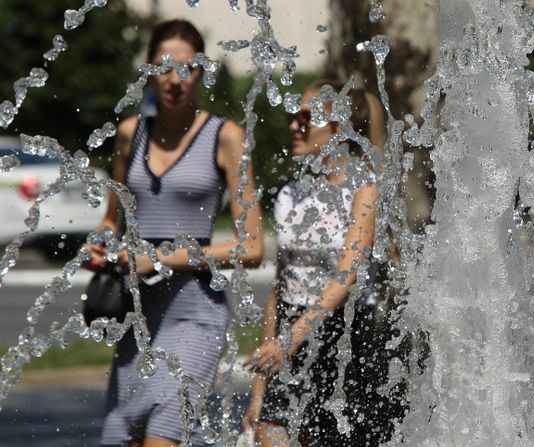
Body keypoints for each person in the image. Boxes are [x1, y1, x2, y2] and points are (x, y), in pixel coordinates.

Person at [83, 19, 263, 447]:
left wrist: (158, 259)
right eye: (164, 66)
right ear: (147, 69)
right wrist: (102, 245)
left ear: (201, 72)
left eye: (187, 67)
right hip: (140, 312)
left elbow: (251, 247)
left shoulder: (226, 136)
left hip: (197, 312)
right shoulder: (130, 135)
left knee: (163, 434)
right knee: (123, 434)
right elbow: (113, 219)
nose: (175, 79)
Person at [242, 82, 386, 446]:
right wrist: (259, 389)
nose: (294, 126)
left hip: (346, 340)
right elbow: (279, 290)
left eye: (306, 117)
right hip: (290, 334)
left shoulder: (363, 187)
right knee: (269, 434)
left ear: (339, 125)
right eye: (292, 117)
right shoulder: (291, 195)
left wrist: (292, 338)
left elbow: (347, 274)